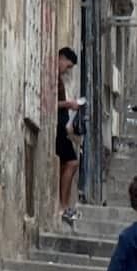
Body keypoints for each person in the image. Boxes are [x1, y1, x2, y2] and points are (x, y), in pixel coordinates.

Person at [55, 47, 83, 224]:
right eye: (68, 65)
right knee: (72, 162)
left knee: (69, 162)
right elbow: (51, 101)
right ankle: (63, 205)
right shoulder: (51, 75)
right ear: (61, 58)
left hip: (62, 126)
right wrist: (69, 104)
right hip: (58, 126)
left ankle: (63, 204)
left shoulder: (57, 78)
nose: (67, 70)